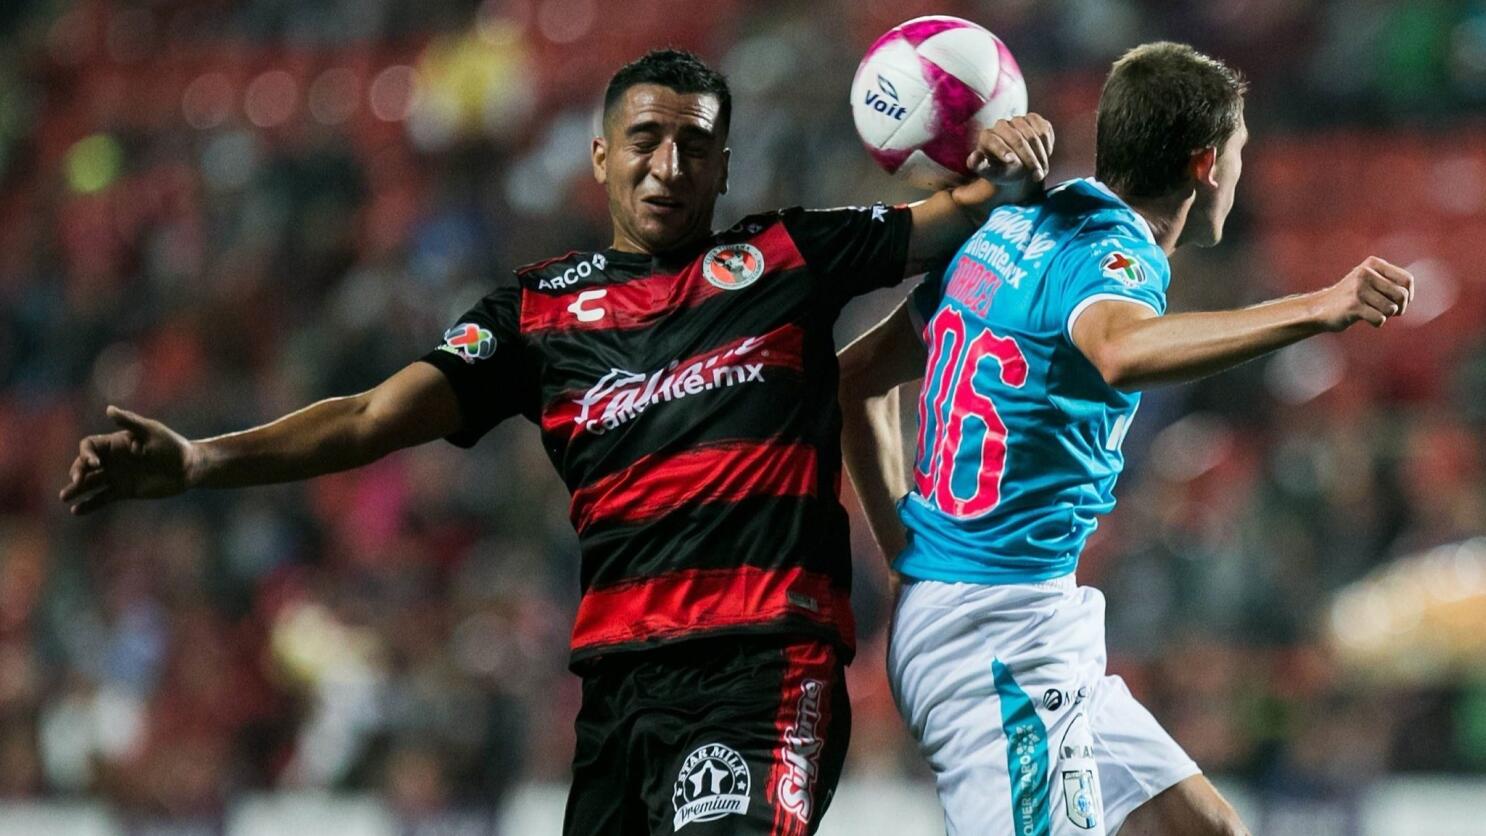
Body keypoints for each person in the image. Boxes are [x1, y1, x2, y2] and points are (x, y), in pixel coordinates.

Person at [59, 49, 1055, 835]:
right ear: (599, 155)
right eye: (645, 138)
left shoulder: (790, 254)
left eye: (694, 145)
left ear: (722, 165)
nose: (668, 165)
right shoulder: (534, 313)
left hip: (761, 666)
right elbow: (369, 415)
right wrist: (199, 459)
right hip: (618, 698)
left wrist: (1007, 151)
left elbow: (972, 210)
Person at [838, 42, 1414, 836]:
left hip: (1013, 616)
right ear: (1208, 164)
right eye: (1240, 155)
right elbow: (1120, 347)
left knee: (1208, 829)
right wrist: (1319, 307)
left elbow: (855, 379)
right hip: (998, 639)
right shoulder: (1116, 260)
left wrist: (903, 546)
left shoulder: (1017, 226)